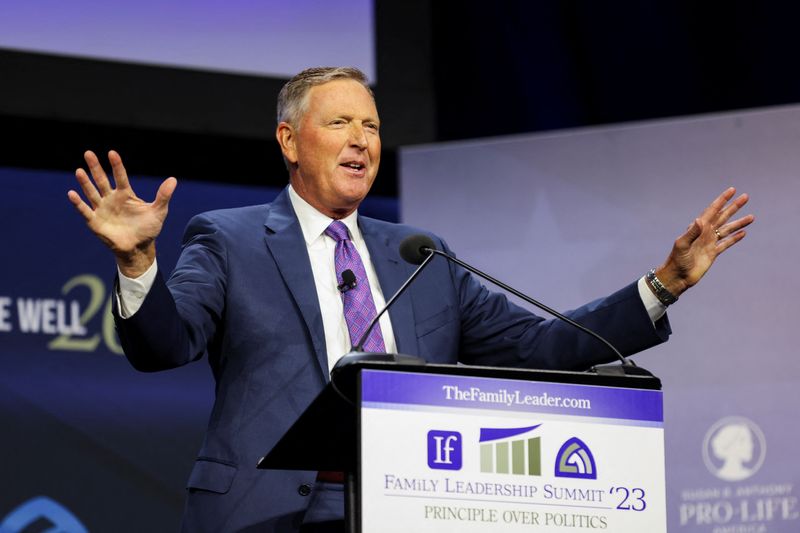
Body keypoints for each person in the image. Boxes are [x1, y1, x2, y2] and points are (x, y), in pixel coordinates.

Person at [67, 67, 753, 532]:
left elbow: (542, 347)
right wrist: (137, 260)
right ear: (289, 141)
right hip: (267, 512)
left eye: (370, 125)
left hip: (412, 505)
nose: (362, 139)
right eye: (339, 123)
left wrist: (663, 284)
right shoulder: (230, 238)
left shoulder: (418, 254)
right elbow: (164, 343)